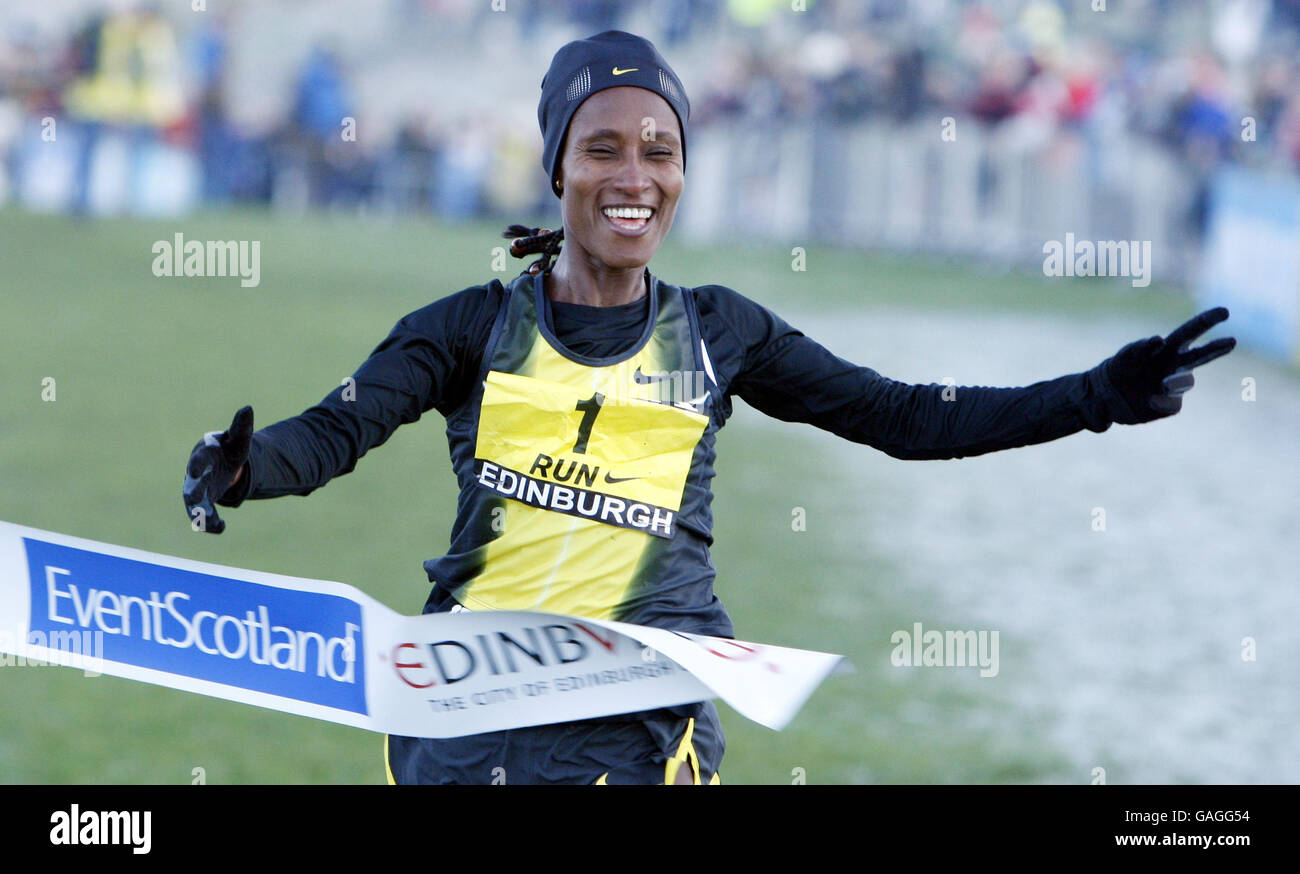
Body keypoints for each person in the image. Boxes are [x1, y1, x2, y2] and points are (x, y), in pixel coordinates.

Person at [182, 31, 1236, 785]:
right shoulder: (468, 328)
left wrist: (1092, 398)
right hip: (467, 713)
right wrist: (243, 467)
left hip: (638, 721)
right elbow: (335, 432)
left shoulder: (723, 332)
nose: (633, 174)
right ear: (557, 165)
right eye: (603, 148)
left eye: (659, 148)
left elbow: (907, 417)